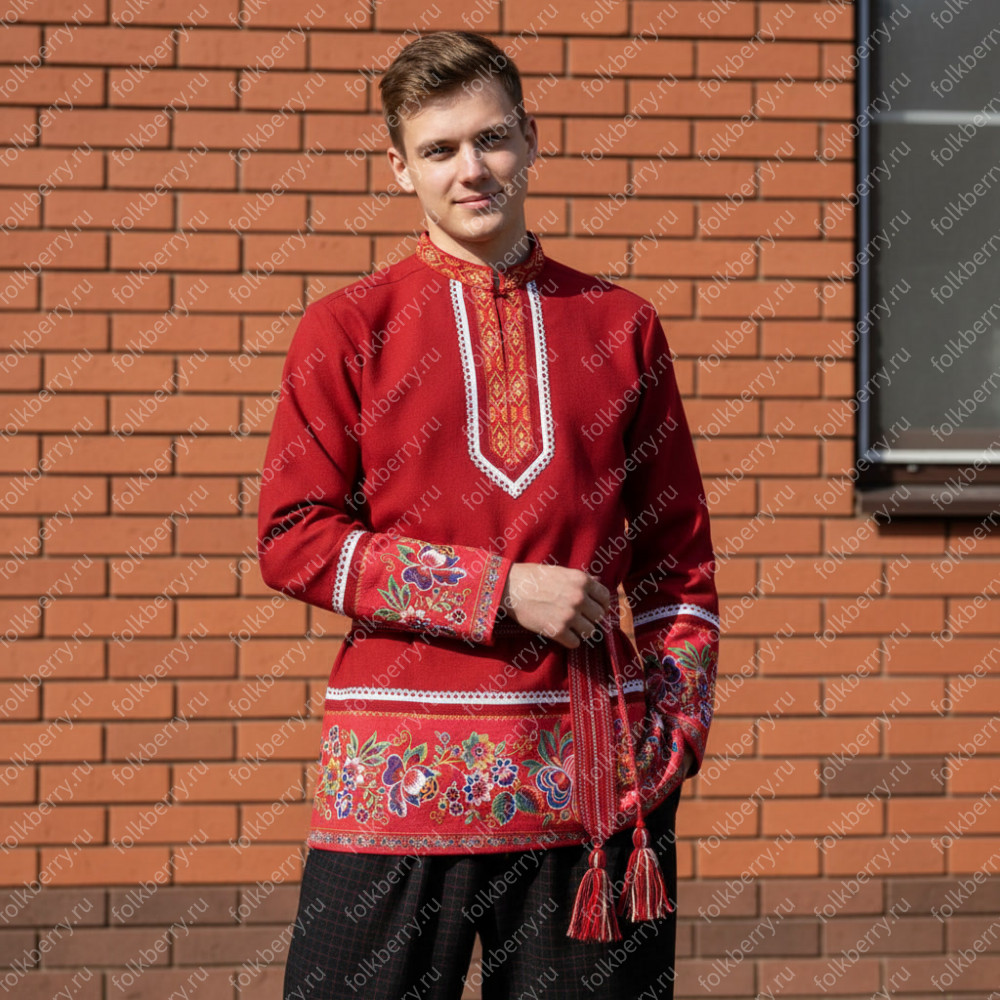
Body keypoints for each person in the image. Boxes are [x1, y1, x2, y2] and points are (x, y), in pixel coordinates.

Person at [257, 29, 719, 1000]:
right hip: (395, 780)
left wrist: (674, 726)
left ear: (530, 139)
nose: (471, 169)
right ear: (400, 167)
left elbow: (677, 558)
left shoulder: (621, 325)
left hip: (592, 784)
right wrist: (502, 589)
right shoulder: (348, 327)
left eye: (491, 138)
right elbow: (294, 540)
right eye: (439, 149)